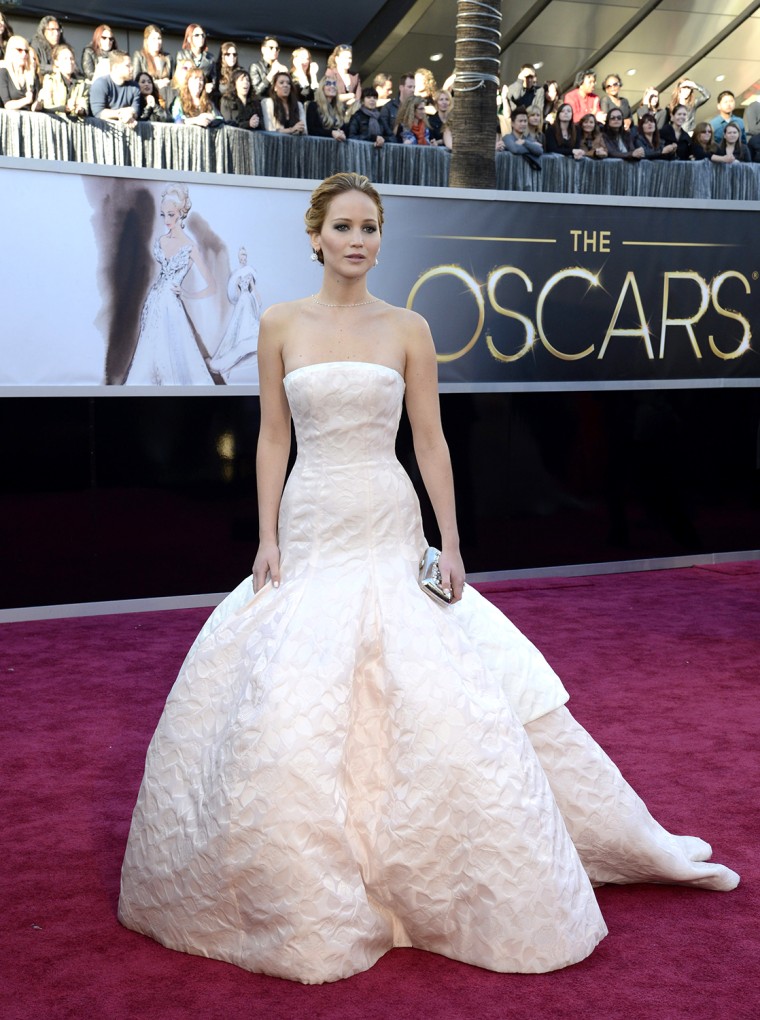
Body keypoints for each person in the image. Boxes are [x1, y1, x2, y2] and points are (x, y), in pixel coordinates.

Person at [118, 170, 739, 985]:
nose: (357, 240)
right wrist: (266, 536)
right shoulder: (277, 323)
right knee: (292, 682)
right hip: (311, 521)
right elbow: (273, 437)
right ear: (315, 236)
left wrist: (451, 541)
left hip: (385, 513)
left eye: (370, 227)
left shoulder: (409, 327)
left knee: (429, 672)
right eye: (343, 226)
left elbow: (433, 443)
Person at [124, 184, 216, 385]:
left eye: (171, 215)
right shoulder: (162, 240)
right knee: (149, 350)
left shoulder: (190, 247)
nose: (167, 220)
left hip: (171, 306)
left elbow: (212, 286)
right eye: (163, 215)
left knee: (173, 352)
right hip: (154, 300)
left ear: (181, 214)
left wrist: (186, 294)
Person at [207, 246, 262, 380]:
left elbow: (255, 293)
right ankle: (234, 359)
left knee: (249, 324)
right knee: (237, 327)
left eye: (244, 255)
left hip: (248, 301)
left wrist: (254, 293)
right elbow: (235, 296)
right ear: (238, 257)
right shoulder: (236, 275)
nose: (243, 258)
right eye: (241, 256)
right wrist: (237, 285)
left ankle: (247, 352)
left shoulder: (250, 271)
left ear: (246, 257)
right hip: (241, 302)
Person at [89, 51, 140, 128]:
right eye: (127, 66)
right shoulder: (101, 84)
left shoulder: (134, 86)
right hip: (103, 130)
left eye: (131, 65)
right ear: (115, 67)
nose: (132, 69)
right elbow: (98, 112)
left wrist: (130, 115)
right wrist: (120, 114)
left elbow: (136, 110)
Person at [39, 43, 89, 120]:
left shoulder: (81, 84)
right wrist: (65, 108)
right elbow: (46, 106)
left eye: (71, 58)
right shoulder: (50, 80)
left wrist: (80, 109)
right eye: (65, 58)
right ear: (56, 62)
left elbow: (84, 104)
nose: (69, 62)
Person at [0, 36, 43, 112]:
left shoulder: (32, 75)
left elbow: (34, 108)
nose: (24, 54)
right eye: (19, 50)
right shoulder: (3, 72)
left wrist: (39, 101)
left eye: (26, 51)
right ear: (11, 51)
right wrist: (26, 100)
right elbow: (7, 104)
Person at [132, 25, 172, 100]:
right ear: (147, 41)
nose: (157, 42)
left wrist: (168, 82)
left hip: (167, 97)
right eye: (153, 39)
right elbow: (135, 80)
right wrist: (156, 83)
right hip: (148, 97)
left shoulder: (168, 57)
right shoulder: (139, 56)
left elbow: (174, 79)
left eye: (159, 38)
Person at [305, 74, 347, 140]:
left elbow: (345, 129)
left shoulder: (340, 108)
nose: (332, 86)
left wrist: (342, 133)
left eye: (334, 84)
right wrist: (331, 133)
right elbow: (311, 130)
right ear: (322, 88)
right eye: (328, 84)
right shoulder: (313, 106)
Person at [176, 24, 214, 92]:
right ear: (189, 38)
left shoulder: (210, 58)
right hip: (185, 92)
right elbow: (179, 77)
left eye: (203, 35)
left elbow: (213, 79)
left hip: (203, 92)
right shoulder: (182, 55)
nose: (201, 37)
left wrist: (210, 86)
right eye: (197, 35)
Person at [379, 71, 415, 136]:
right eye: (410, 87)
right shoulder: (388, 107)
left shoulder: (416, 107)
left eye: (414, 87)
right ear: (401, 87)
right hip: (394, 144)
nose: (413, 90)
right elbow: (383, 132)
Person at [327, 44, 361, 112]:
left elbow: (358, 98)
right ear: (337, 59)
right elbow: (330, 96)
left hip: (352, 113)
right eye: (345, 58)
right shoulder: (330, 74)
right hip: (334, 112)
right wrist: (350, 95)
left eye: (350, 58)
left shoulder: (355, 76)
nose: (348, 61)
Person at [213, 41, 241, 107]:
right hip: (220, 105)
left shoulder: (239, 71)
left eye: (234, 54)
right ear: (222, 56)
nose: (232, 57)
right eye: (228, 54)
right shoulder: (216, 70)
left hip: (236, 106)